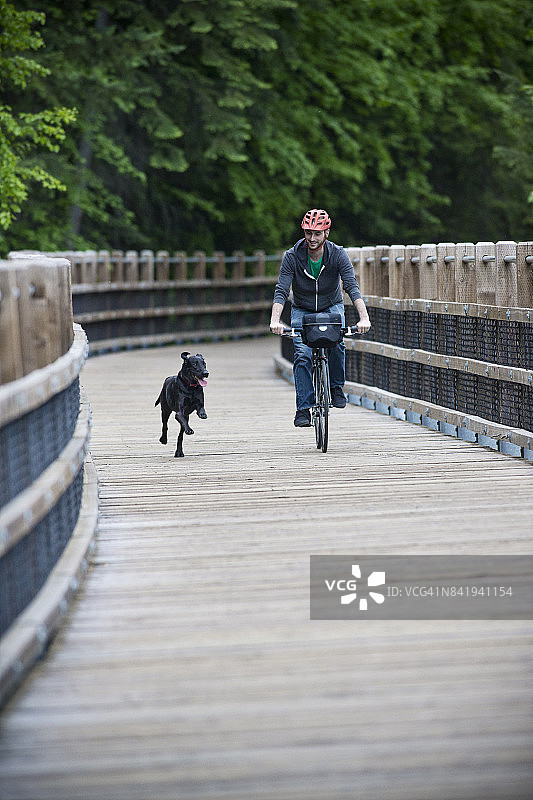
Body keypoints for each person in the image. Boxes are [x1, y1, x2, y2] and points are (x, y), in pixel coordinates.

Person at [270, 208, 371, 427]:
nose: (312, 238)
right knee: (302, 354)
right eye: (308, 233)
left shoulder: (338, 254)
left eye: (317, 233)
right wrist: (275, 320)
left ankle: (336, 387)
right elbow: (282, 290)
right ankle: (303, 409)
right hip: (302, 309)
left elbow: (351, 286)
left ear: (327, 233)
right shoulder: (292, 256)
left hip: (331, 306)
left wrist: (364, 318)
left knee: (337, 342)